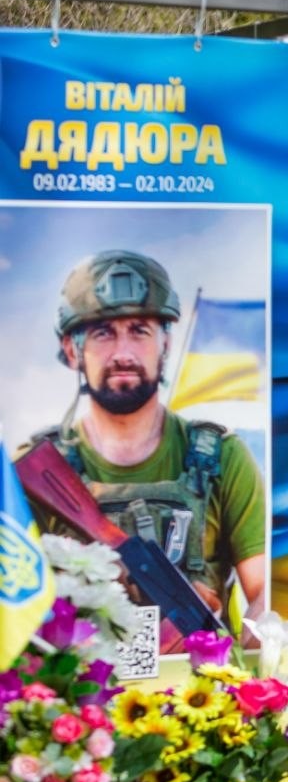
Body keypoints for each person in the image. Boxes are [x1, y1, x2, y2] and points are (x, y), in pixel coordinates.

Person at [24, 250, 266, 637]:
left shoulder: (222, 456)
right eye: (103, 332)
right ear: (72, 349)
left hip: (200, 684)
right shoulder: (37, 470)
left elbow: (264, 589)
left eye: (140, 330)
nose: (123, 353)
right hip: (79, 685)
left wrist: (255, 636)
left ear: (165, 343)